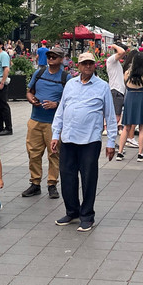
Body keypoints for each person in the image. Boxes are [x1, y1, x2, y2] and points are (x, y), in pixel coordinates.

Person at [50, 52, 117, 232]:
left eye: (90, 63)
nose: (87, 66)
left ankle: (87, 215)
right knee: (67, 177)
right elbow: (61, 111)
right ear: (78, 66)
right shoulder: (70, 84)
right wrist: (56, 134)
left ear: (95, 65)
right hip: (69, 138)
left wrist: (111, 141)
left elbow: (110, 116)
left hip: (90, 140)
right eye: (84, 63)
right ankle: (72, 211)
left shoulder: (102, 86)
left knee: (88, 179)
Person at [23, 46, 65, 198]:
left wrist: (56, 104)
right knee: (33, 153)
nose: (51, 58)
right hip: (35, 119)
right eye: (49, 56)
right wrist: (31, 99)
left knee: (54, 154)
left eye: (54, 56)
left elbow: (70, 101)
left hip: (53, 123)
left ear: (61, 59)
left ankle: (52, 184)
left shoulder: (65, 78)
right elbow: (28, 91)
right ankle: (35, 183)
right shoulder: (39, 73)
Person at [122, 51, 143, 161]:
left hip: (130, 99)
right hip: (142, 99)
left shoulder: (126, 74)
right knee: (142, 128)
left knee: (126, 127)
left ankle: (120, 152)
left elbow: (125, 85)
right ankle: (140, 154)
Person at [105, 43, 127, 134]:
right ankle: (111, 135)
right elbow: (122, 52)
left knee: (116, 115)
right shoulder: (111, 60)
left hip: (119, 91)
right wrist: (114, 45)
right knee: (116, 116)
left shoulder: (116, 63)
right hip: (116, 90)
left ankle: (112, 134)